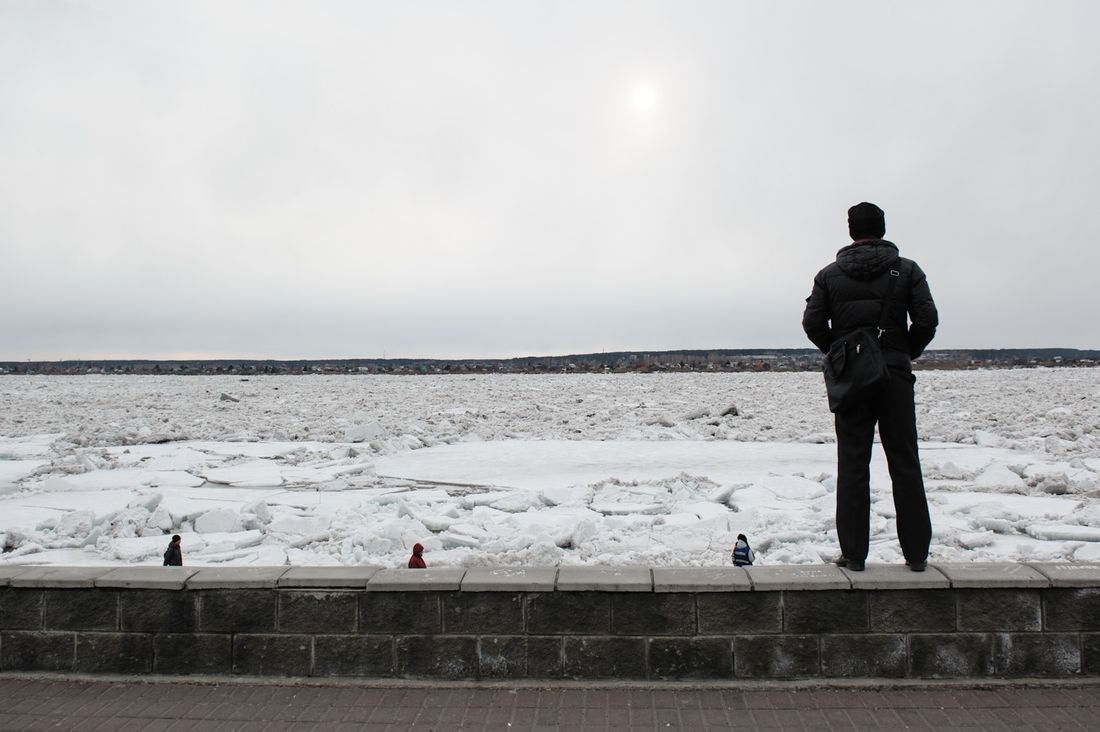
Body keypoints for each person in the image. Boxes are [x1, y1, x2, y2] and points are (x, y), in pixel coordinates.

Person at [802, 202, 938, 573]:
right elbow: (927, 319)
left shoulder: (829, 275)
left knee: (852, 463)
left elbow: (812, 323)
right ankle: (916, 555)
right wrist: (902, 351)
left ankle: (854, 555)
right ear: (882, 228)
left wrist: (842, 353)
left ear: (851, 231)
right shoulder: (907, 270)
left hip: (852, 379)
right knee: (905, 462)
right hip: (895, 373)